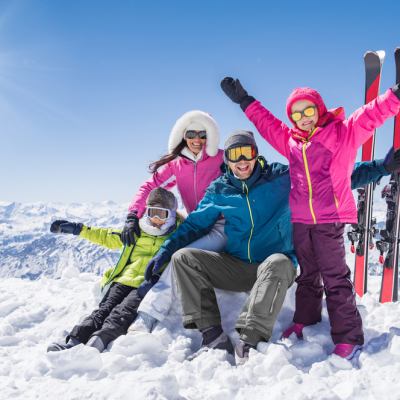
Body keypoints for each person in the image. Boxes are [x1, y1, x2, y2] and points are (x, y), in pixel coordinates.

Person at [144, 130, 395, 364]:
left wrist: (381, 167)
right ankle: (213, 336)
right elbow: (193, 226)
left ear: (256, 154)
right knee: (183, 258)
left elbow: (331, 178)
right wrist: (165, 251)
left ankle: (249, 341)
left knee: (278, 261)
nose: (242, 161)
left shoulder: (281, 177)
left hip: (275, 267)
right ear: (227, 160)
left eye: (247, 153)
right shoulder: (220, 190)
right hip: (236, 265)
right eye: (234, 155)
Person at [220, 76, 400, 359]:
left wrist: (395, 95)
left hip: (330, 220)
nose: (303, 118)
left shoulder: (342, 133)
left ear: (319, 109)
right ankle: (306, 318)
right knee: (308, 275)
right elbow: (266, 124)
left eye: (308, 111)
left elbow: (371, 115)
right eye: (296, 113)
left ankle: (349, 336)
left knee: (334, 277)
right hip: (301, 221)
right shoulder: (290, 142)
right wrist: (245, 100)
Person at [121, 110, 227, 332]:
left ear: (210, 136)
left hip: (221, 225)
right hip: (195, 224)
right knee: (168, 253)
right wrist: (133, 215)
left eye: (202, 134)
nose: (197, 140)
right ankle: (140, 290)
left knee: (180, 257)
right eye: (191, 133)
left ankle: (149, 313)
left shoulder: (221, 158)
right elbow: (149, 186)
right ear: (182, 136)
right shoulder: (177, 165)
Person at [46, 187, 179, 353]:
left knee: (121, 314)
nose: (156, 219)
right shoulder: (137, 230)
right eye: (152, 212)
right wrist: (77, 229)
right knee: (103, 311)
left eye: (162, 214)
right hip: (123, 280)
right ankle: (74, 341)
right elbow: (106, 236)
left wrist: (157, 276)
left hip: (145, 284)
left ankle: (96, 344)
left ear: (171, 214)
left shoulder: (177, 235)